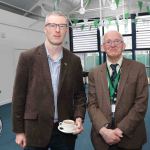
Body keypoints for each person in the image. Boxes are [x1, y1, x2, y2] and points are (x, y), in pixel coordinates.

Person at [12, 11, 86, 150]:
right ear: (45, 28)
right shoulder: (27, 58)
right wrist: (19, 131)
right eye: (52, 25)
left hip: (65, 130)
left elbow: (80, 95)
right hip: (35, 129)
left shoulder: (74, 61)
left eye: (62, 26)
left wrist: (79, 117)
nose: (57, 30)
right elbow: (18, 97)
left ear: (66, 30)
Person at [88, 30, 148, 150]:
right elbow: (91, 104)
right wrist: (103, 130)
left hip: (131, 135)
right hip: (102, 136)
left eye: (117, 41)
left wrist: (121, 129)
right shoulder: (94, 72)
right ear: (102, 47)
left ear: (124, 46)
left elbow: (141, 104)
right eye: (108, 42)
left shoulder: (138, 68)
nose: (113, 45)